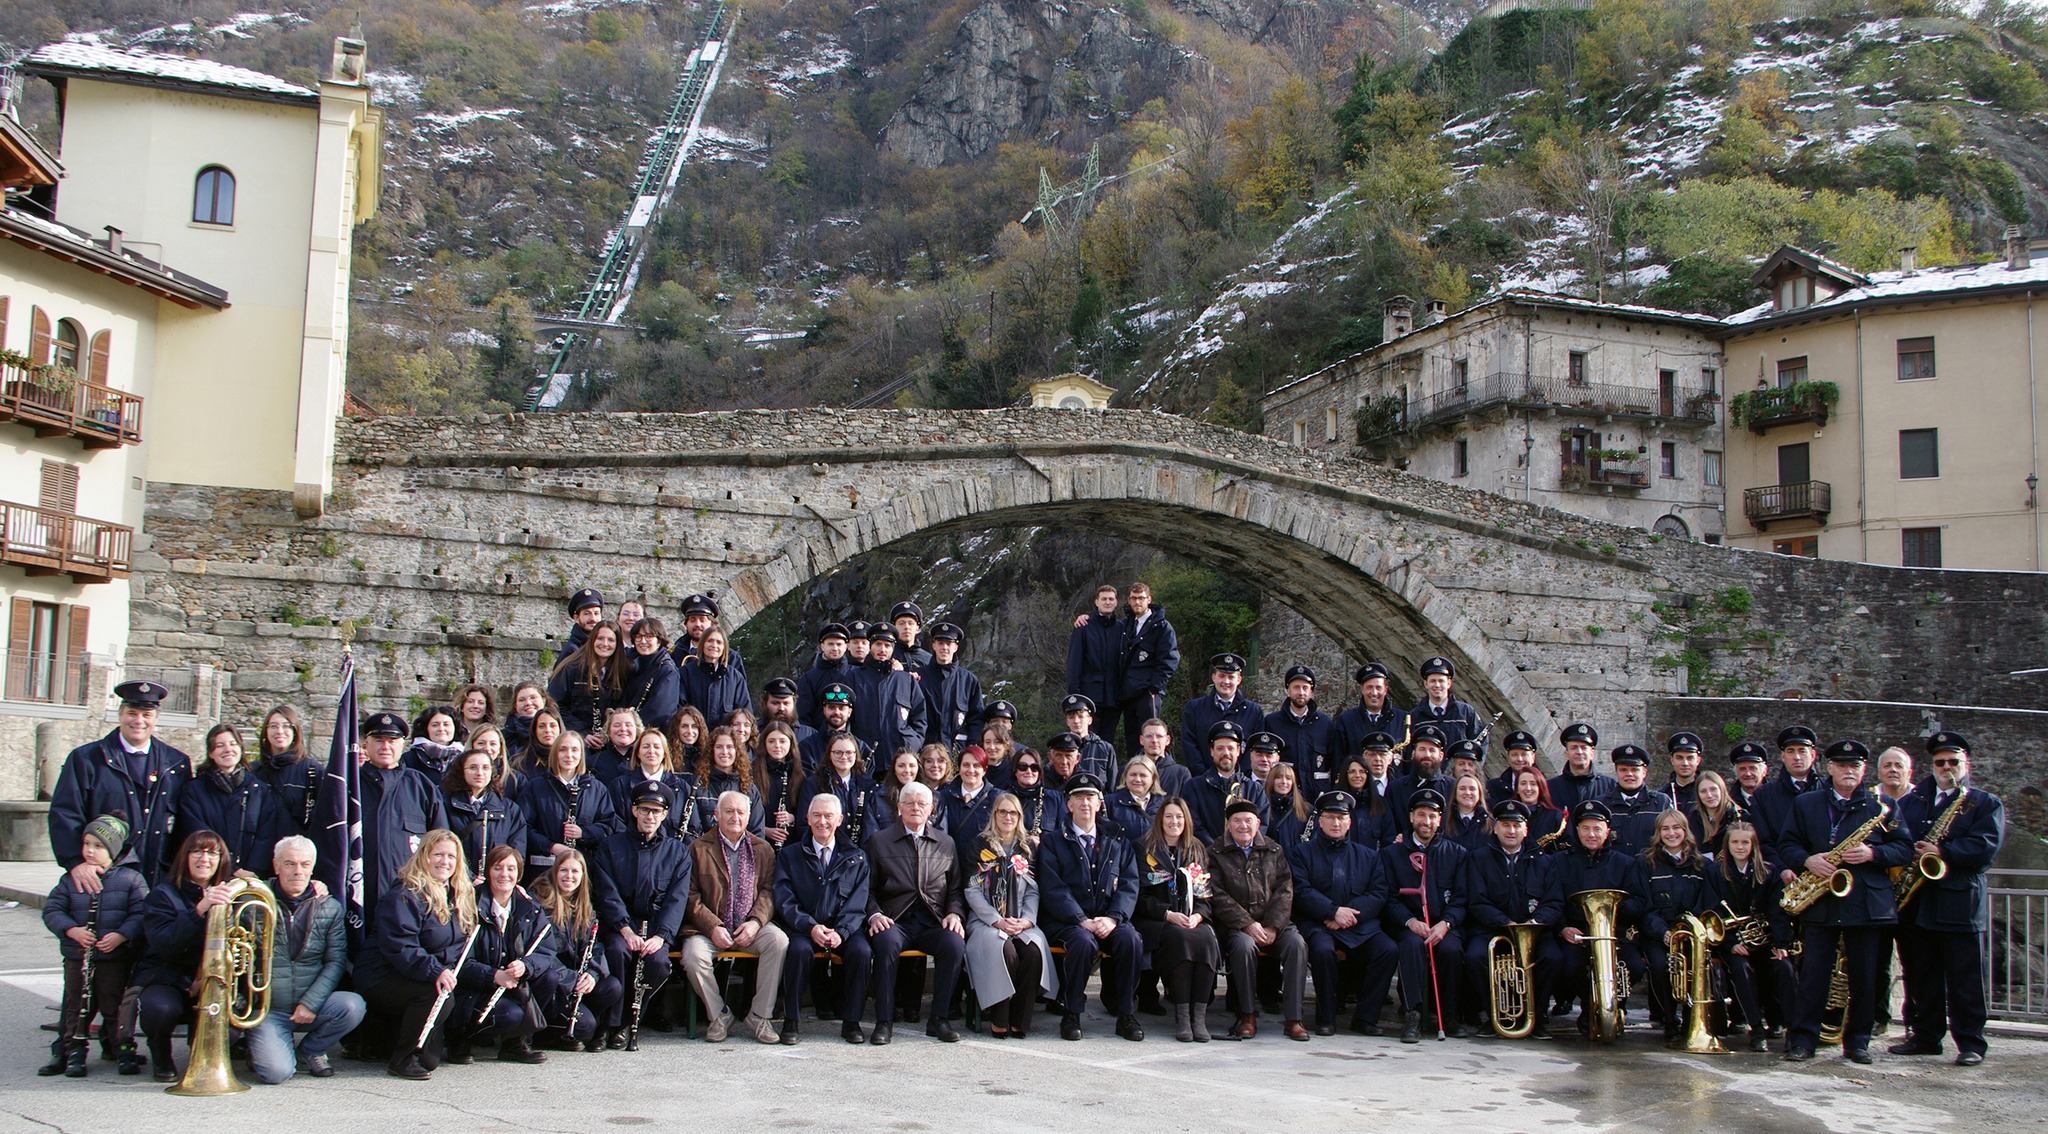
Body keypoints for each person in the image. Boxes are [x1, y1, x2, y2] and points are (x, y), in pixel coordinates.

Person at [1780, 740, 1912, 1065]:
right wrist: (1808, 860)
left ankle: (1857, 1042)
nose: (1849, 770)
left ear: (1864, 769)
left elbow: (1905, 849)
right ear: (1830, 768)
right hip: (1822, 900)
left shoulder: (1883, 807)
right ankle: (1803, 1041)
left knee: (1865, 978)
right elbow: (1786, 844)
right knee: (1813, 976)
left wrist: (1874, 853)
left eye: (1855, 765)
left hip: (1866, 903)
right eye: (1842, 765)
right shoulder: (1806, 803)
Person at [1891, 732, 2004, 1067]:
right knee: (1920, 974)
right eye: (1940, 762)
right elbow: (1897, 836)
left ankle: (1971, 1042)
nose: (1946, 767)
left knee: (1965, 976)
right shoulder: (1914, 801)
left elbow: (1985, 848)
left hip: (1959, 903)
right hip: (1918, 902)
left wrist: (1942, 851)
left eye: (1953, 762)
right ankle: (1925, 1037)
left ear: (1965, 764)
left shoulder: (1984, 803)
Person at [356, 829, 478, 1080]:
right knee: (438, 995)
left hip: (419, 973)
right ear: (423, 856)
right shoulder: (405, 894)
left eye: (451, 857)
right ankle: (401, 1059)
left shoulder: (458, 894)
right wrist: (437, 971)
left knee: (430, 1061)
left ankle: (382, 1039)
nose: (445, 862)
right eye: (438, 855)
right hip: (383, 973)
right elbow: (400, 947)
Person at [1037, 773, 1145, 1042]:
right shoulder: (1052, 841)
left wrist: (1114, 918)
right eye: (1078, 798)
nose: (1085, 803)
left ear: (1099, 804)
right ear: (1068, 804)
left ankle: (1126, 1015)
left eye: (1090, 797)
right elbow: (1053, 887)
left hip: (1109, 918)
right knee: (1082, 944)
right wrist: (1080, 918)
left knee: (1131, 940)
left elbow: (1130, 883)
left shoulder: (1117, 837)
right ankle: (1071, 1013)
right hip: (1069, 921)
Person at [51, 679, 188, 889]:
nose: (139, 721)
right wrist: (75, 862)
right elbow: (65, 813)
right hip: (104, 878)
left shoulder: (177, 763)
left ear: (156, 718)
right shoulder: (87, 759)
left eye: (146, 715)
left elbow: (185, 820)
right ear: (121, 714)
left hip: (160, 877)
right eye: (132, 713)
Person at [41, 815, 147, 1078]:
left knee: (115, 1006)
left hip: (114, 958)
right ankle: (70, 1051)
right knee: (75, 1006)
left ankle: (121, 1048)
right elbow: (52, 909)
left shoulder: (131, 879)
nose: (89, 850)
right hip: (78, 957)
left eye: (98, 846)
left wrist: (122, 935)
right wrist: (71, 930)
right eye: (86, 844)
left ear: (113, 849)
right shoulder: (70, 879)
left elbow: (142, 913)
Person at [589, 781, 693, 1049]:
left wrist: (662, 936)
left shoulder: (678, 852)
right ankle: (608, 1025)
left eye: (656, 812)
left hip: (657, 928)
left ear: (665, 814)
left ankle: (628, 1020)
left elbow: (677, 899)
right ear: (634, 810)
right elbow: (607, 893)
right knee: (617, 953)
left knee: (658, 964)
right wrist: (624, 929)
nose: (650, 817)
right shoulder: (611, 847)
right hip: (620, 925)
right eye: (645, 810)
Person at [679, 791, 788, 1044]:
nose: (734, 817)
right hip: (710, 929)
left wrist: (756, 921)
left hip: (750, 926)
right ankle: (719, 1015)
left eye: (740, 812)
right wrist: (712, 926)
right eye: (728, 811)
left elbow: (769, 891)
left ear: (749, 817)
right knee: (693, 956)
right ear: (717, 814)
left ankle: (760, 1016)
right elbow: (690, 895)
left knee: (779, 941)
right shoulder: (698, 848)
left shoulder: (763, 849)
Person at [864, 781, 968, 1044]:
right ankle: (884, 1022)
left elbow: (955, 889)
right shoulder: (879, 841)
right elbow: (867, 889)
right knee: (885, 945)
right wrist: (875, 914)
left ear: (931, 809)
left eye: (921, 803)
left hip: (932, 919)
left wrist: (954, 913)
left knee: (954, 945)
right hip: (894, 920)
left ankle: (939, 1020)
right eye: (909, 802)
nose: (915, 808)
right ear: (899, 808)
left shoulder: (946, 843)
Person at [1289, 791, 1400, 1037]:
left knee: (1388, 949)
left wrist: (1351, 916)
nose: (1336, 823)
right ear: (1320, 821)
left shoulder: (1368, 856)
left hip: (1359, 925)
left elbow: (1379, 893)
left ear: (1350, 821)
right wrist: (1332, 911)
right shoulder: (1301, 853)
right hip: (1319, 923)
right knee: (1322, 951)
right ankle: (1326, 1017)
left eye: (1341, 818)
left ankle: (1366, 1017)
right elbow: (1301, 890)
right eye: (1330, 817)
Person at [136, 831, 238, 1083]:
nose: (205, 859)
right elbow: (166, 944)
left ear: (221, 860)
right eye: (197, 852)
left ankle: (203, 1058)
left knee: (236, 1020)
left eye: (212, 853)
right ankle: (161, 1054)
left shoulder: (232, 894)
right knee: (160, 1009)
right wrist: (199, 910)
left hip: (211, 980)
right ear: (185, 856)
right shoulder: (162, 895)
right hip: (168, 979)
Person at [774, 792, 873, 1044]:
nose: (822, 821)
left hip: (844, 930)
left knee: (861, 953)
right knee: (797, 952)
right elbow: (785, 899)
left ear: (839, 820)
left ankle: (851, 1022)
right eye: (816, 815)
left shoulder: (856, 856)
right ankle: (791, 1022)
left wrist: (841, 931)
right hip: (804, 928)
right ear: (807, 818)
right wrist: (810, 927)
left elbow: (858, 903)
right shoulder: (790, 855)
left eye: (828, 816)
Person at [1206, 796, 1307, 1041]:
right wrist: (1247, 924)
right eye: (1237, 821)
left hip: (1274, 923)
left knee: (1297, 945)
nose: (1243, 826)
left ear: (1258, 823)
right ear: (1228, 824)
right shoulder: (1216, 852)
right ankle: (1247, 1014)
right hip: (1237, 925)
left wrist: (1273, 925)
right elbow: (1216, 894)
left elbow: (1285, 889)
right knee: (1243, 947)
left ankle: (1294, 1018)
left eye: (1248, 821)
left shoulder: (1273, 849)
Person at [1461, 799, 1562, 1038]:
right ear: (1495, 828)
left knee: (1553, 957)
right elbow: (1476, 901)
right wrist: (1504, 922)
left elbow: (1554, 902)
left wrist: (1534, 924)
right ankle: (1494, 1015)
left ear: (1526, 829)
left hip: (1534, 930)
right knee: (1475, 956)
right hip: (1492, 929)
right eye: (1505, 825)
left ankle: (1536, 1017)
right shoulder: (1478, 858)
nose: (1511, 830)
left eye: (1517, 825)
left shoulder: (1544, 861)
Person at [963, 791, 1056, 1038]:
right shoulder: (979, 845)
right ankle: (1000, 1018)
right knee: (1006, 951)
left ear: (1019, 817)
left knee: (1033, 951)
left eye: (1013, 812)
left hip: (1021, 920)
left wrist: (1027, 920)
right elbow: (972, 889)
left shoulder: (1026, 849)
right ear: (994, 815)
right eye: (1002, 811)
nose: (1008, 816)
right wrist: (997, 920)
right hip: (987, 921)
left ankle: (1020, 1021)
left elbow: (1033, 891)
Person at [1552, 800, 1648, 1038]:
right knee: (1570, 965)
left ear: (1607, 831)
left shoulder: (1625, 863)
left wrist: (1615, 911)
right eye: (1585, 828)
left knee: (1634, 966)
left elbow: (1640, 901)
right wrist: (1563, 928)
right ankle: (1589, 1006)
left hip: (1615, 933)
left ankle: (1616, 1005)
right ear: (1577, 830)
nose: (1591, 834)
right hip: (1578, 934)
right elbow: (1552, 902)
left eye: (1597, 829)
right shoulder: (1560, 862)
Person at [449, 844, 550, 1065]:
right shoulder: (469, 904)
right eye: (498, 868)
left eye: (511, 869)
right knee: (509, 1015)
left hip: (513, 984)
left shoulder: (529, 907)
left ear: (519, 873)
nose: (505, 874)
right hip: (474, 986)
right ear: (488, 872)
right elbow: (458, 959)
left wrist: (526, 966)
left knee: (548, 977)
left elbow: (546, 950)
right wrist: (493, 975)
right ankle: (461, 1039)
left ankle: (515, 1043)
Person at [1382, 788, 1469, 1041]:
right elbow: (1388, 897)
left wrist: (1446, 923)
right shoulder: (1392, 854)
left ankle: (1449, 1014)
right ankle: (1413, 1013)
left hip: (1444, 925)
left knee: (1452, 950)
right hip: (1408, 926)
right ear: (1411, 817)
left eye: (1432, 816)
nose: (1426, 821)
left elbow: (1462, 897)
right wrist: (1409, 921)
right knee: (1410, 947)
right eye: (1421, 815)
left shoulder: (1456, 854)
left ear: (1439, 819)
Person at [1135, 796, 1222, 1042]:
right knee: (1181, 938)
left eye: (1179, 816)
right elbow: (1139, 895)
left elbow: (1205, 895)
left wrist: (1197, 916)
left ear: (1187, 821)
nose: (1174, 821)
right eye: (1169, 816)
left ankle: (1199, 1017)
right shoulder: (1144, 848)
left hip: (1191, 919)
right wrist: (1168, 914)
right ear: (1160, 819)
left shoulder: (1196, 849)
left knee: (1205, 938)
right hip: (1156, 919)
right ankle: (1182, 1017)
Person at [529, 849, 621, 1052]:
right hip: (554, 981)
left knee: (612, 987)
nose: (569, 876)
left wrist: (593, 974)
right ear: (554, 872)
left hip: (573, 981)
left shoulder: (583, 904)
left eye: (574, 871)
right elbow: (543, 953)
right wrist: (572, 979)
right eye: (563, 870)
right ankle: (545, 1033)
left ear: (582, 875)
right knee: (585, 1027)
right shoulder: (539, 902)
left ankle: (572, 1020)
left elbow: (595, 945)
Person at [174, 723, 289, 885]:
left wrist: (252, 872)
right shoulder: (194, 790)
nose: (228, 749)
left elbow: (266, 835)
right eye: (220, 746)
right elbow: (196, 832)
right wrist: (233, 869)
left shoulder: (259, 791)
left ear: (241, 749)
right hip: (208, 877)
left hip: (250, 880)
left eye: (233, 744)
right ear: (211, 753)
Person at [360, 711, 449, 920]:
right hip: (358, 898)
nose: (386, 746)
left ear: (402, 744)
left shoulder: (420, 787)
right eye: (379, 740)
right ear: (366, 744)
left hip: (409, 900)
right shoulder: (349, 787)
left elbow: (442, 843)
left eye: (392, 740)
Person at [1639, 808, 1716, 1039]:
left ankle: (1694, 1017)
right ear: (1658, 833)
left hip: (1691, 934)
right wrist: (1662, 932)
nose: (1671, 833)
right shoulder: (1646, 863)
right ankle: (1669, 1019)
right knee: (1661, 966)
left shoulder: (1702, 865)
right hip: (1659, 934)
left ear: (1685, 831)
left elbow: (1706, 903)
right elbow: (1645, 905)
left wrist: (1687, 930)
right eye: (1665, 829)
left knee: (1697, 966)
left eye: (1676, 828)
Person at [1716, 820, 1792, 1051]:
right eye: (1735, 842)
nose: (1740, 847)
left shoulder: (1769, 872)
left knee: (1785, 968)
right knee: (1740, 968)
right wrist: (1730, 943)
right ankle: (1756, 1029)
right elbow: (1712, 912)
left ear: (1753, 845)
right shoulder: (1715, 872)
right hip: (1734, 943)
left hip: (1765, 941)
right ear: (1727, 845)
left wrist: (1780, 943)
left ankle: (1792, 1029)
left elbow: (1778, 911)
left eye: (1745, 842)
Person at [522, 732, 617, 880]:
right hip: (544, 870)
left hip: (581, 872)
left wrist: (583, 833)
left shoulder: (596, 789)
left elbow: (609, 827)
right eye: (563, 749)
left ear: (581, 755)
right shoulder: (535, 787)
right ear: (555, 753)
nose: (569, 755)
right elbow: (524, 827)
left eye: (574, 750)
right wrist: (551, 847)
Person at [1113, 581, 1179, 758]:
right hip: (1128, 694)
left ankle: (1158, 777)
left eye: (1141, 598)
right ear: (1128, 600)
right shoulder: (1126, 626)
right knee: (1134, 742)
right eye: (1133, 598)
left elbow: (1169, 660)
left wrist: (1154, 688)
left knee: (1153, 740)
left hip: (1148, 694)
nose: (1137, 602)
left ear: (1149, 599)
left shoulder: (1162, 627)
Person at [445, 749, 528, 884]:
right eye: (473, 767)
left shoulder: (509, 809)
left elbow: (516, 853)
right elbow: (443, 847)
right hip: (458, 882)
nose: (479, 773)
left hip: (496, 885)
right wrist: (470, 878)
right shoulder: (446, 805)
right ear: (462, 771)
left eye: (485, 768)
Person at [1184, 721, 1268, 846]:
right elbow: (1194, 825)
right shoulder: (1194, 787)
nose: (1226, 753)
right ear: (1212, 751)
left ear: (1238, 751)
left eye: (1230, 748)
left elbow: (1261, 826)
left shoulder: (1255, 789)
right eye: (1220, 748)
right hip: (1207, 856)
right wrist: (1217, 850)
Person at [1180, 653, 1262, 776]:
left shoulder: (1254, 711)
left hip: (1240, 784)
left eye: (1231, 677)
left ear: (1239, 679)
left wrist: (1240, 777)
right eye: (1221, 676)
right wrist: (1204, 777)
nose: (1226, 681)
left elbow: (1254, 748)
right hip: (1202, 782)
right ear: (1214, 677)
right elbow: (1189, 745)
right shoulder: (1195, 708)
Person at [607, 727, 696, 842]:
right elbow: (615, 825)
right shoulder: (620, 785)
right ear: (638, 753)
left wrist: (677, 853)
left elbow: (693, 829)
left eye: (657, 747)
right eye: (645, 746)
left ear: (664, 753)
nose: (651, 751)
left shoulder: (682, 787)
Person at [852, 625, 928, 756]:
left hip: (899, 758)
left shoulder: (906, 680)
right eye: (878, 644)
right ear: (870, 646)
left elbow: (919, 717)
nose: (882, 649)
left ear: (893, 648)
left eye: (887, 645)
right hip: (864, 757)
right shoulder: (853, 677)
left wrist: (912, 744)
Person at [798, 731, 881, 848]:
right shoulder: (813, 783)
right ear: (829, 754)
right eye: (838, 752)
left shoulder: (867, 786)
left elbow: (872, 826)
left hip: (860, 854)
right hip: (825, 849)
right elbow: (804, 823)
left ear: (856, 754)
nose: (843, 757)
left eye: (849, 753)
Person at [550, 619, 625, 745]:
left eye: (611, 640)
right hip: (575, 739)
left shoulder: (621, 671)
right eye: (600, 638)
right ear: (592, 640)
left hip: (607, 741)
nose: (605, 644)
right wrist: (582, 733)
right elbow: (554, 704)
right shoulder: (571, 668)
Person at [1264, 665, 1336, 796]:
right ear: (1288, 691)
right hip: (1286, 796)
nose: (1301, 692)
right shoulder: (1272, 723)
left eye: (1305, 688)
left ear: (1311, 692)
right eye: (1296, 687)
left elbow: (1334, 761)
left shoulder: (1325, 723)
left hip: (1317, 795)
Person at [253, 704, 321, 840]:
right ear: (265, 732)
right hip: (260, 851)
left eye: (286, 726)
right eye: (273, 726)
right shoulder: (253, 772)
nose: (279, 731)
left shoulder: (312, 771)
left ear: (295, 731)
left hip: (296, 853)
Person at [1753, 724, 1823, 854]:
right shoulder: (1764, 795)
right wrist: (1782, 869)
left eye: (1802, 751)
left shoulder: (1828, 791)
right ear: (1783, 757)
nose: (1797, 757)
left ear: (1813, 755)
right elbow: (1763, 841)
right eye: (1791, 751)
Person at [1330, 663, 1408, 772]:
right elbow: (1338, 761)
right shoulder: (1346, 720)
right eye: (1369, 687)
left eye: (1378, 687)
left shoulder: (1403, 719)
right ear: (1362, 689)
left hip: (1394, 786)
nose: (1374, 693)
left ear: (1386, 690)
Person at [1066, 585, 1123, 733]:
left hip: (1114, 698)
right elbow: (1074, 663)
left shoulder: (1122, 629)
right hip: (1088, 696)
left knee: (1107, 742)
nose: (1107, 602)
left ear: (1116, 602)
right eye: (1104, 599)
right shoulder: (1083, 627)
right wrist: (1075, 695)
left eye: (1111, 599)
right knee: (1086, 740)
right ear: (1096, 602)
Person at [919, 621, 985, 750]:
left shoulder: (969, 681)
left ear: (956, 647)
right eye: (940, 643)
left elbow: (976, 719)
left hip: (957, 753)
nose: (945, 648)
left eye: (949, 644)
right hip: (924, 751)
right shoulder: (918, 677)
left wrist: (971, 747)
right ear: (933, 646)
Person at [1601, 745, 1671, 856]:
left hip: (1651, 869)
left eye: (1634, 769)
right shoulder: (1602, 805)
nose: (1629, 774)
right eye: (1623, 770)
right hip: (1615, 871)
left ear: (1644, 772)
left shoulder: (1661, 803)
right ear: (1616, 772)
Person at [1407, 656, 1483, 755]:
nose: (1437, 685)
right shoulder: (1414, 716)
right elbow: (1409, 751)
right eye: (1433, 681)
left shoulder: (1465, 712)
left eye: (1441, 681)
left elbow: (1479, 747)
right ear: (1426, 684)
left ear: (1449, 683)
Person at [1388, 724, 1454, 834]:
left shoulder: (1453, 788)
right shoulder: (1395, 788)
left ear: (1441, 755)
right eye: (1422, 749)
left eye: (1432, 750)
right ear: (1413, 754)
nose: (1427, 754)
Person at [680, 625, 752, 724]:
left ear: (724, 647)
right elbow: (680, 709)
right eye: (710, 641)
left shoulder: (735, 678)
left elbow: (745, 713)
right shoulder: (686, 673)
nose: (714, 645)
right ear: (702, 644)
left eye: (719, 642)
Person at [621, 617, 682, 732]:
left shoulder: (667, 670)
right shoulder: (631, 663)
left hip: (650, 734)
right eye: (638, 637)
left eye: (649, 637)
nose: (643, 641)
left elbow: (660, 711)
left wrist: (631, 727)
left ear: (659, 641)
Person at [796, 623, 856, 731]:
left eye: (839, 644)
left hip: (852, 741)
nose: (835, 648)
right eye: (830, 644)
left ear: (846, 646)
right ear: (822, 646)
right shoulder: (809, 678)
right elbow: (803, 716)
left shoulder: (856, 675)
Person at [1546, 723, 1615, 814]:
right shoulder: (1550, 787)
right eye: (1574, 747)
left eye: (1584, 748)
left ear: (1592, 754)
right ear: (1566, 753)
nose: (1579, 752)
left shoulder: (1609, 786)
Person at [936, 745, 998, 845]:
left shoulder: (997, 798)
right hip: (949, 857)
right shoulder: (944, 797)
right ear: (959, 769)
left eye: (976, 765)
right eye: (966, 765)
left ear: (984, 770)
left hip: (983, 858)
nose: (971, 770)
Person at [756, 721, 804, 847]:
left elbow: (806, 809)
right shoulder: (753, 773)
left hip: (791, 842)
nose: (777, 746)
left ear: (791, 744)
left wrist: (793, 818)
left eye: (782, 741)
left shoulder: (801, 774)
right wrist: (764, 830)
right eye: (771, 741)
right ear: (764, 744)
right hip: (760, 843)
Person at [1009, 751, 1063, 852]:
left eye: (1034, 767)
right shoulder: (1003, 798)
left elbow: (1065, 834)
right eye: (1023, 767)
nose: (1029, 771)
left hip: (1046, 860)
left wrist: (1042, 843)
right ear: (1015, 770)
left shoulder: (1054, 799)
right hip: (1011, 859)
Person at [1059, 696, 1117, 783]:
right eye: (1071, 717)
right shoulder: (1058, 749)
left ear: (1090, 720)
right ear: (1067, 721)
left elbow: (1113, 785)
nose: (1076, 721)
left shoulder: (1105, 749)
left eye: (1081, 716)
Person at [1686, 770, 1744, 859]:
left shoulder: (1741, 817)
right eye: (1703, 791)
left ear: (1722, 789)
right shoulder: (1691, 820)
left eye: (1713, 789)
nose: (1709, 795)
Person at [1105, 755, 1163, 843]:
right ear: (1125, 776)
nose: (1137, 779)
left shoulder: (1164, 805)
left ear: (1153, 778)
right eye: (1133, 775)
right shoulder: (1109, 803)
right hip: (1122, 856)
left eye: (1143, 775)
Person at [1133, 717, 1192, 797]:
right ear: (1141, 740)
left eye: (1159, 736)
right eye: (1149, 736)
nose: (1154, 740)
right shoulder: (1128, 772)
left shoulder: (1181, 774)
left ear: (1167, 740)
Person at [586, 707, 645, 786]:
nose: (623, 729)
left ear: (637, 730)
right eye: (617, 725)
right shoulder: (593, 762)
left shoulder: (646, 760)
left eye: (628, 725)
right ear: (609, 731)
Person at [406, 705, 466, 782]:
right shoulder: (410, 758)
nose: (441, 729)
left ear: (455, 728)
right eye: (435, 725)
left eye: (446, 724)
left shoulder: (465, 758)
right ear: (426, 729)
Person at [501, 682, 555, 764]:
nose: (528, 703)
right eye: (522, 700)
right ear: (515, 705)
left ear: (544, 701)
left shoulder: (558, 730)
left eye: (533, 697)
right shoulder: (505, 736)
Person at [1486, 731, 1542, 806]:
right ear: (1508, 757)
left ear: (1533, 757)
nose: (1520, 759)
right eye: (1514, 755)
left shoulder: (1548, 786)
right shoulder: (1493, 787)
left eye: (1524, 754)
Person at [1516, 768, 1566, 851]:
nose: (1528, 788)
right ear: (1517, 789)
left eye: (1533, 784)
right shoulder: (1506, 815)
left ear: (1540, 788)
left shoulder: (1555, 816)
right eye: (1523, 783)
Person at [1264, 761, 1312, 847]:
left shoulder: (1307, 810)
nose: (1284, 782)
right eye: (1278, 777)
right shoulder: (1262, 808)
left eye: (1288, 778)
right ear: (1271, 781)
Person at [1445, 772, 1492, 851]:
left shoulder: (1491, 824)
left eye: (1472, 789)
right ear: (1455, 793)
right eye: (1462, 788)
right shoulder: (1443, 820)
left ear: (1479, 793)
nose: (1467, 792)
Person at [558, 587, 605, 662]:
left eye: (596, 613)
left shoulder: (601, 644)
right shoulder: (572, 651)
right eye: (587, 613)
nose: (593, 618)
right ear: (576, 618)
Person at [887, 600, 934, 671]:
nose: (906, 627)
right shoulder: (886, 655)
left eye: (910, 623)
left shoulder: (929, 660)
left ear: (917, 628)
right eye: (901, 623)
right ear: (894, 627)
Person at [1664, 732, 1705, 809]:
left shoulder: (1708, 792)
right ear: (1672, 760)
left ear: (1698, 761)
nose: (1685, 763)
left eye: (1690, 758)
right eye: (1679, 758)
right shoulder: (1663, 795)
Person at [1728, 742, 1770, 814]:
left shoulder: (1776, 798)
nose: (1748, 774)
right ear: (1736, 773)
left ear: (1764, 771)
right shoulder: (1728, 803)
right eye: (1742, 769)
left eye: (1753, 768)